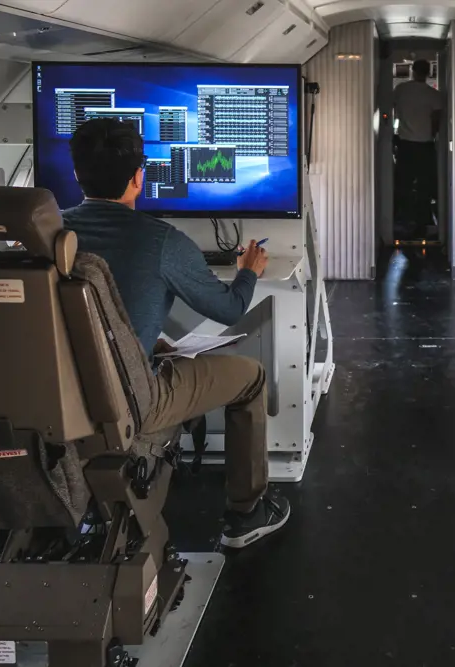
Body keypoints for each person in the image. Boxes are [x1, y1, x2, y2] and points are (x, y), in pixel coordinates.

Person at [61, 118, 289, 548]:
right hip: (131, 402)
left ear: (76, 174)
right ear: (138, 177)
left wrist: (141, 344)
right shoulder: (162, 241)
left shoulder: (48, 236)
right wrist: (246, 273)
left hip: (56, 402)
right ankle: (247, 512)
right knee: (251, 377)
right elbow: (229, 309)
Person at [393, 59, 444, 239]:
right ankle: (423, 222)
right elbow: (437, 122)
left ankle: (403, 219)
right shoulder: (434, 95)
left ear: (412, 71)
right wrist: (431, 134)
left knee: (404, 183)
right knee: (424, 185)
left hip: (405, 143)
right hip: (425, 144)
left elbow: (391, 111)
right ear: (429, 73)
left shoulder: (401, 90)